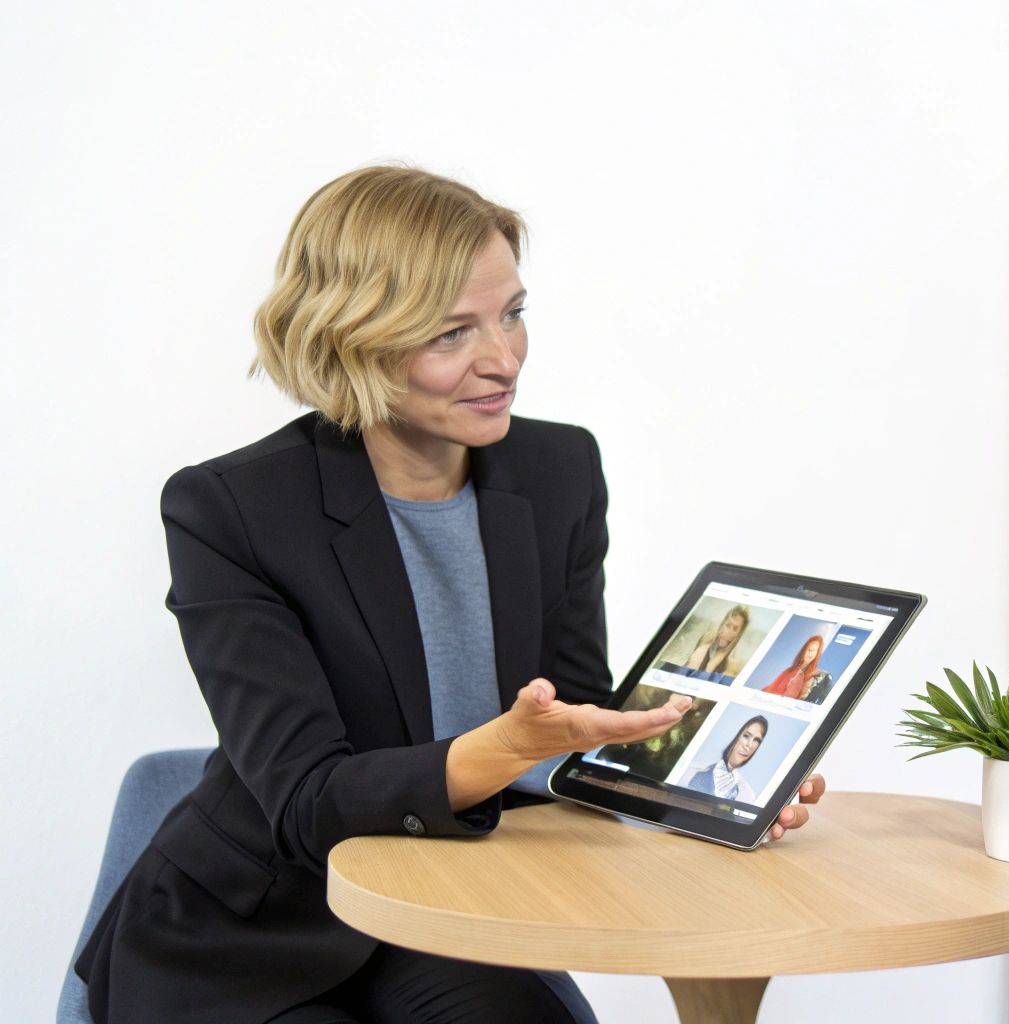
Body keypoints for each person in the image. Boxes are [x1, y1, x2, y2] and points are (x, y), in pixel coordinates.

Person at [74, 166, 827, 1024]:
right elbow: (307, 799)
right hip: (254, 932)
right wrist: (504, 749)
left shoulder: (559, 472)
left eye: (512, 313)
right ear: (351, 336)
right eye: (449, 333)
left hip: (455, 910)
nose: (501, 359)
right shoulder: (231, 509)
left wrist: (715, 791)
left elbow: (572, 724)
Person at [685, 715, 769, 804]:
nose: (749, 745)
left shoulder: (746, 794)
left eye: (756, 740)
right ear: (736, 735)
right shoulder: (691, 772)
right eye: (746, 736)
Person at [681, 606, 750, 678]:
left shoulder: (733, 663)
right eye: (728, 625)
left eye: (735, 629)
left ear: (738, 635)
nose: (728, 632)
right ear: (722, 624)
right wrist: (713, 663)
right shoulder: (704, 647)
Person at [761, 634, 826, 699]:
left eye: (814, 650)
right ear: (804, 650)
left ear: (817, 654)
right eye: (809, 649)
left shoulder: (815, 677)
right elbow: (772, 687)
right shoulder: (789, 671)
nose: (810, 653)